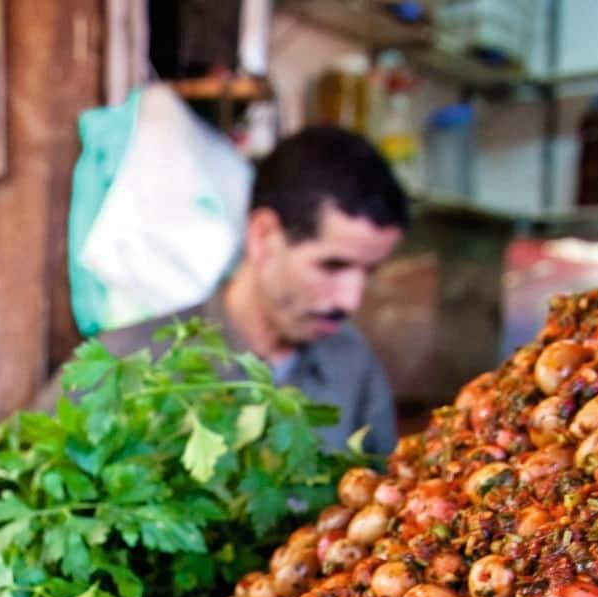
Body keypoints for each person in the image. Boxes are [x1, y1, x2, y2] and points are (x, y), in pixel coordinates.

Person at [48, 124, 409, 455]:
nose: (351, 299)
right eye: (332, 266)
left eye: (369, 271)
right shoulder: (126, 365)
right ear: (263, 237)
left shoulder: (352, 362)